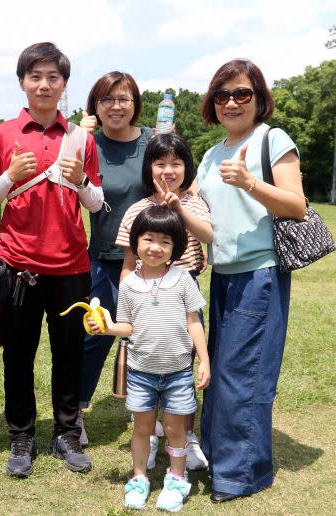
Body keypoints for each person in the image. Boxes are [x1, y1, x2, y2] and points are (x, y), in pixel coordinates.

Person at [0, 42, 104, 478]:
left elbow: (96, 203)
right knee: (19, 354)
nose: (44, 84)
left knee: (69, 353)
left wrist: (82, 180)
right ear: (22, 83)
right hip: (17, 264)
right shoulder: (1, 135)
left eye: (53, 77)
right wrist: (10, 176)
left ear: (65, 85)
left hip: (71, 264)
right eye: (36, 76)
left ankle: (67, 433)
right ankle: (21, 435)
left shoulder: (81, 138)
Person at [196, 59, 306, 503]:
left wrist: (249, 183)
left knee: (244, 375)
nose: (232, 102)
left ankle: (241, 474)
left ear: (259, 98)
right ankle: (215, 455)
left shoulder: (272, 140)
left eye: (242, 93)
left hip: (259, 274)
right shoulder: (211, 152)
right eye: (223, 95)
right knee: (221, 373)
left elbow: (296, 205)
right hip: (222, 276)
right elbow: (205, 215)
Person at [88, 205, 210, 511]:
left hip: (179, 372)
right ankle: (139, 478)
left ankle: (176, 480)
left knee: (175, 429)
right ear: (136, 243)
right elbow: (128, 326)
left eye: (165, 242)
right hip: (141, 372)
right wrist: (106, 328)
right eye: (148, 239)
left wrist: (205, 361)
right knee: (142, 428)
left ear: (176, 248)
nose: (156, 247)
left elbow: (193, 322)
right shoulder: (129, 284)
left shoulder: (183, 279)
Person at [115, 133, 213, 472]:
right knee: (145, 369)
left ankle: (187, 435)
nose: (168, 170)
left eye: (176, 163)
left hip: (183, 299)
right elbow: (128, 265)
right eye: (160, 163)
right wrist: (125, 311)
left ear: (187, 167)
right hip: (143, 299)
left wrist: (178, 208)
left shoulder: (196, 203)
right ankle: (151, 434)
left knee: (182, 370)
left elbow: (207, 236)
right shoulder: (137, 209)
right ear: (149, 168)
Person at [75, 71, 153, 447]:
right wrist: (77, 137)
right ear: (95, 107)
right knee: (94, 336)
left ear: (135, 103)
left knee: (158, 336)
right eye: (107, 99)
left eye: (123, 98)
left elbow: (181, 183)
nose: (116, 106)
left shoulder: (153, 142)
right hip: (104, 258)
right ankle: (75, 411)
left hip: (154, 261)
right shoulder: (87, 144)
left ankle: (160, 412)